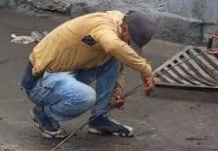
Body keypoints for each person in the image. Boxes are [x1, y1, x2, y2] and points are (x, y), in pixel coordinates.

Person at [21, 10, 157, 139]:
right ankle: (44, 115)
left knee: (112, 60)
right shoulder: (104, 26)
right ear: (125, 27)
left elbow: (115, 57)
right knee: (86, 97)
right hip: (39, 82)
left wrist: (118, 90)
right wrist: (146, 70)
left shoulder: (119, 24)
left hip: (66, 71)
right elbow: (113, 46)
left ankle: (99, 119)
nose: (128, 44)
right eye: (130, 41)